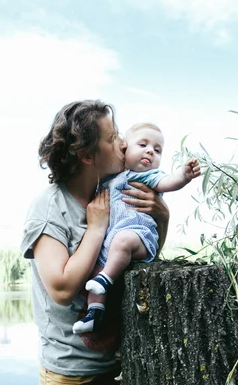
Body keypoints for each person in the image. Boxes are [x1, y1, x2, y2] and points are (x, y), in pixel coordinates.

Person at [20, 100, 169, 385]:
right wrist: (98, 227)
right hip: (70, 359)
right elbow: (64, 286)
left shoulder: (117, 190)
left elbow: (141, 256)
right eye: (112, 137)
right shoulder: (50, 208)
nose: (122, 143)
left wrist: (161, 216)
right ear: (87, 155)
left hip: (115, 354)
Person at [73, 122, 200, 334]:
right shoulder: (109, 179)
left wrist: (184, 177)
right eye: (142, 144)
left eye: (157, 150)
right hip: (112, 241)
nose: (150, 150)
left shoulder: (147, 176)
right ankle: (94, 313)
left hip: (139, 237)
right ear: (125, 150)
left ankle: (106, 279)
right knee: (95, 267)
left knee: (122, 243)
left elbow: (169, 181)